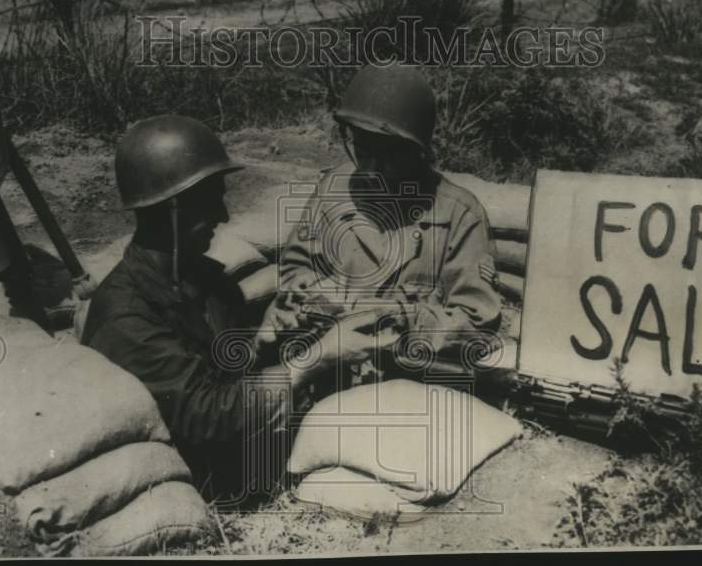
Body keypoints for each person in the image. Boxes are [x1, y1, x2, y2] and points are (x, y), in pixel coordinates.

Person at [81, 114, 397, 505]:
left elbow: (217, 372)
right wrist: (315, 360)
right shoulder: (125, 317)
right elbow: (203, 415)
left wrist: (259, 341)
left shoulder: (204, 280)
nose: (224, 215)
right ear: (174, 208)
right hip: (204, 482)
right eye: (212, 199)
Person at [264, 62, 503, 378]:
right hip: (326, 369)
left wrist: (395, 318)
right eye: (363, 151)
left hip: (407, 382)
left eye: (389, 155)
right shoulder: (333, 189)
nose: (371, 170)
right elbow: (297, 265)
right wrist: (305, 290)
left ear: (417, 150)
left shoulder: (458, 214)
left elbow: (477, 324)